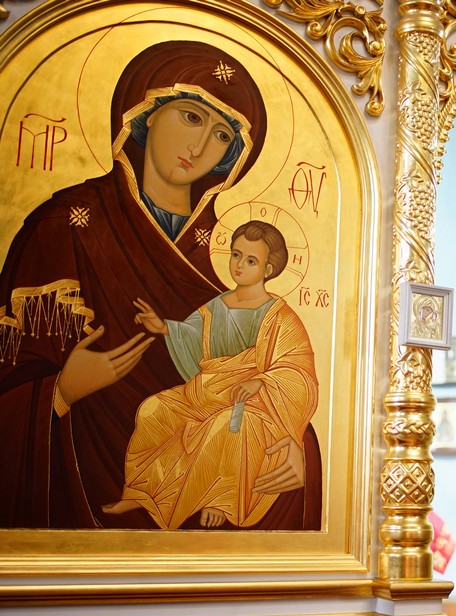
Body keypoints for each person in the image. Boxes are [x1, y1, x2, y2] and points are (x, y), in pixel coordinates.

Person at [0, 41, 321, 529]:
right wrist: (61, 391)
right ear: (144, 113)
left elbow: (281, 369)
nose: (200, 147)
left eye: (221, 135)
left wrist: (291, 444)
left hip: (225, 447)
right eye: (191, 117)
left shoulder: (226, 252)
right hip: (77, 492)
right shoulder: (63, 227)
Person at [102, 221, 318, 529]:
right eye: (236, 255)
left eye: (251, 260)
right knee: (153, 410)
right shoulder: (217, 305)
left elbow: (297, 370)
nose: (239, 265)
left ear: (268, 269)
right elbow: (194, 336)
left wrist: (261, 381)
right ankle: (142, 492)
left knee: (226, 426)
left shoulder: (280, 316)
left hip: (254, 404)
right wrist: (164, 328)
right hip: (206, 392)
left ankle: (219, 498)